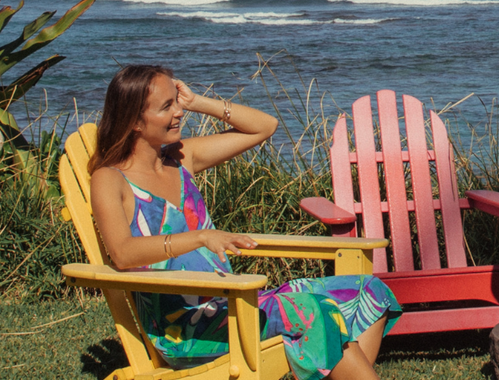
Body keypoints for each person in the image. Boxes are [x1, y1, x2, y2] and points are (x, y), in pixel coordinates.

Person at [88, 65, 402, 380]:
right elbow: (123, 253)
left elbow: (264, 127)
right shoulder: (111, 179)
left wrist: (198, 102)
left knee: (370, 291)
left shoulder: (181, 158)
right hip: (185, 330)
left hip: (234, 305)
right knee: (313, 309)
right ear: (134, 121)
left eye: (177, 102)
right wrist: (200, 237)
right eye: (166, 106)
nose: (179, 112)